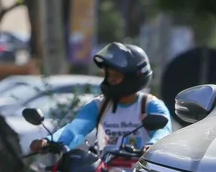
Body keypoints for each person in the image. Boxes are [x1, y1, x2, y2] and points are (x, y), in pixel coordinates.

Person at [30, 42, 173, 155]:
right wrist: (49, 141)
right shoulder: (99, 106)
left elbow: (163, 133)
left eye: (115, 76)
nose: (110, 80)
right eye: (108, 75)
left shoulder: (151, 105)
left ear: (133, 77)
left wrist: (151, 146)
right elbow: (75, 130)